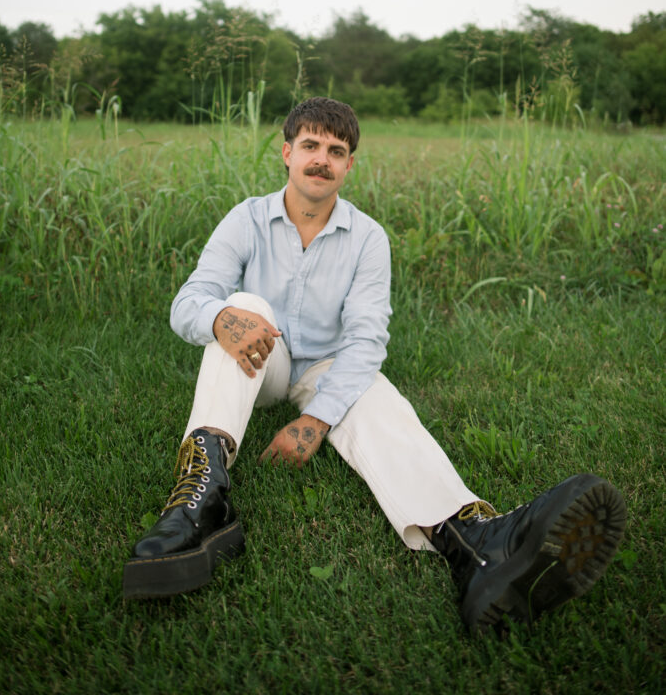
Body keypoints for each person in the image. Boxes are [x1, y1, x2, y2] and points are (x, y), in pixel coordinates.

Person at [123, 97, 626, 633]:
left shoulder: (368, 238)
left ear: (349, 166)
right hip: (262, 363)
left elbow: (364, 340)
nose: (322, 159)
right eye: (311, 146)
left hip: (324, 366)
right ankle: (201, 498)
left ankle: (475, 544)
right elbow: (189, 301)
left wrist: (317, 420)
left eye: (336, 151)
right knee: (243, 308)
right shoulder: (246, 218)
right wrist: (222, 318)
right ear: (287, 153)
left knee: (374, 393)